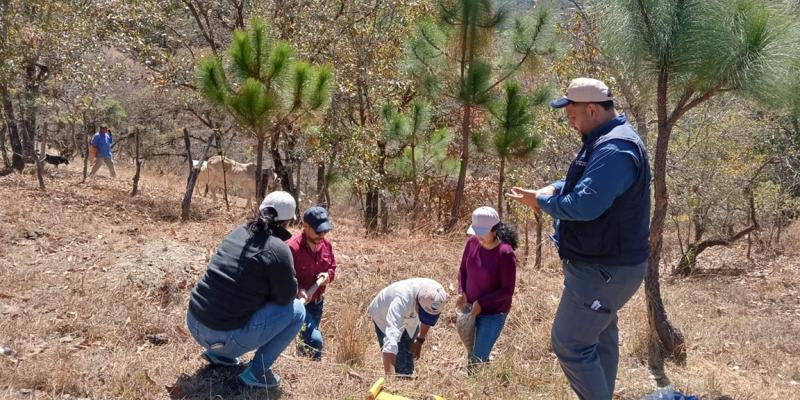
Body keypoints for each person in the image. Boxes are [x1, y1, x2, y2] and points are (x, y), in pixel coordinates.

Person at [507, 77, 650, 400]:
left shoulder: (615, 148)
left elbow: (586, 205)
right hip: (606, 267)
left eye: (571, 116)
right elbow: (588, 182)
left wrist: (541, 202)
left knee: (570, 342)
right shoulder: (605, 140)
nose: (570, 123)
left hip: (605, 269)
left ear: (591, 110)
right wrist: (555, 188)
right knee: (599, 339)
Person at [186, 207, 306, 393]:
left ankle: (220, 356)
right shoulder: (278, 249)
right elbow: (286, 298)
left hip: (194, 322)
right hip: (224, 337)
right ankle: (257, 373)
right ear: (287, 222)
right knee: (298, 311)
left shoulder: (239, 231)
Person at [456, 206, 517, 373]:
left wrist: (482, 302)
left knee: (477, 360)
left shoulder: (505, 253)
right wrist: (462, 291)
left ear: (495, 229)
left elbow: (507, 290)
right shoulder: (472, 243)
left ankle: (474, 385)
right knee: (472, 350)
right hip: (470, 308)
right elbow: (463, 270)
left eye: (483, 232)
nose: (479, 236)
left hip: (493, 313)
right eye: (477, 231)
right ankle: (481, 376)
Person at [367, 278, 448, 377]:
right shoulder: (400, 299)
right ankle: (398, 379)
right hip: (383, 316)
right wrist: (390, 383)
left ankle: (405, 377)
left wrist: (419, 340)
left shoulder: (437, 295)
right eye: (424, 313)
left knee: (407, 361)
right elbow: (391, 341)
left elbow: (427, 320)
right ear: (417, 303)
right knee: (399, 361)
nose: (426, 317)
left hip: (411, 318)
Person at [287, 206, 337, 361]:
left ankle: (303, 365)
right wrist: (298, 290)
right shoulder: (291, 248)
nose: (322, 235)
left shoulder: (326, 245)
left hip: (317, 303)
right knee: (315, 340)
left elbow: (332, 268)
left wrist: (327, 276)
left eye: (325, 231)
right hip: (298, 304)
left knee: (306, 343)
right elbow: (284, 278)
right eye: (318, 231)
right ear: (305, 226)